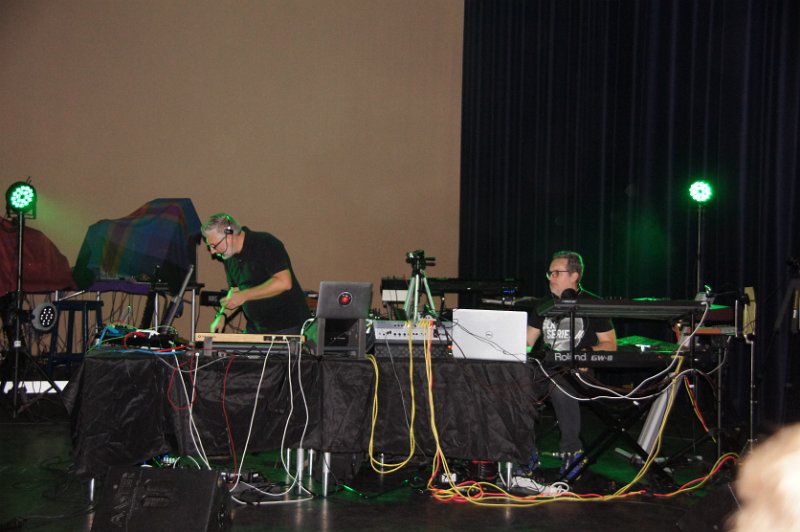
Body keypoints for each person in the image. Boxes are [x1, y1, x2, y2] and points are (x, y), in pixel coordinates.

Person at [521, 250, 617, 480]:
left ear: (574, 275)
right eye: (549, 273)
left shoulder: (593, 304)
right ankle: (524, 451)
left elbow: (610, 344)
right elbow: (527, 342)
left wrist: (585, 354)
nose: (551, 278)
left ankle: (572, 452)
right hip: (547, 369)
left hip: (579, 371)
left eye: (557, 272)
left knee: (559, 384)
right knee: (517, 382)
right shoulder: (544, 306)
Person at [201, 213, 311, 334]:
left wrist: (244, 295)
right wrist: (222, 315)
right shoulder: (229, 256)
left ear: (229, 235)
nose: (212, 251)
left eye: (214, 245)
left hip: (288, 327)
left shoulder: (265, 243)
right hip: (256, 328)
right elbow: (236, 291)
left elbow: (284, 282)